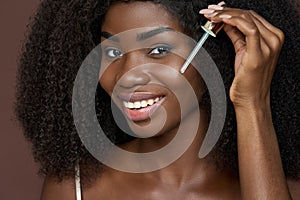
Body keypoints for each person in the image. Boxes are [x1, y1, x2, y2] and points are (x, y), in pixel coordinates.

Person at [15, 0, 300, 199]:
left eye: (158, 49)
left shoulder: (269, 184)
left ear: (212, 52)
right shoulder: (75, 188)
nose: (128, 76)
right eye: (113, 52)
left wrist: (252, 103)